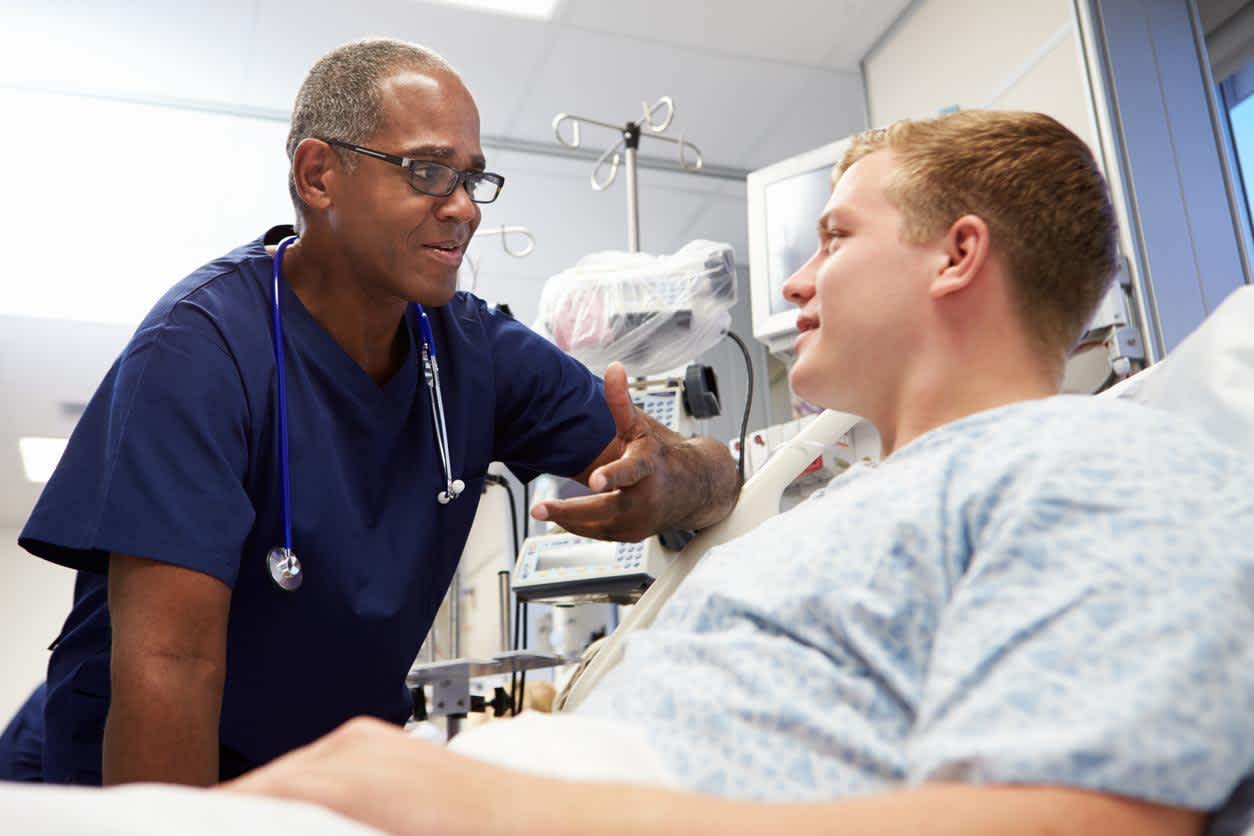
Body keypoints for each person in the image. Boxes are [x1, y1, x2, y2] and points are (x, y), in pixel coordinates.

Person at [222, 110, 1254, 836]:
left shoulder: (1103, 461)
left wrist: (496, 805)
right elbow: (720, 493)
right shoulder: (846, 497)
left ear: (958, 255)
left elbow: (1065, 818)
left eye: (837, 237)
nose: (797, 280)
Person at [0, 38, 739, 787]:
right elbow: (173, 666)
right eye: (427, 171)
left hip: (321, 762)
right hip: (134, 774)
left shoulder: (476, 350)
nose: (462, 208)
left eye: (473, 180)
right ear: (318, 175)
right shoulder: (200, 349)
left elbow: (711, 471)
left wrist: (672, 481)